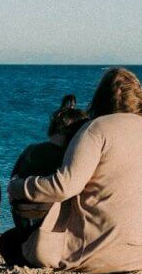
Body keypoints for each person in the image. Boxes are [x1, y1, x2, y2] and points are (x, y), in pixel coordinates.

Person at [0, 67, 142, 273]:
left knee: (10, 242)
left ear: (99, 99)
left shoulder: (96, 129)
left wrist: (19, 186)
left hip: (108, 254)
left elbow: (64, 186)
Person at [9, 94, 88, 228]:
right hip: (53, 221)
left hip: (22, 216)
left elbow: (13, 181)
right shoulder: (71, 156)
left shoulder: (30, 150)